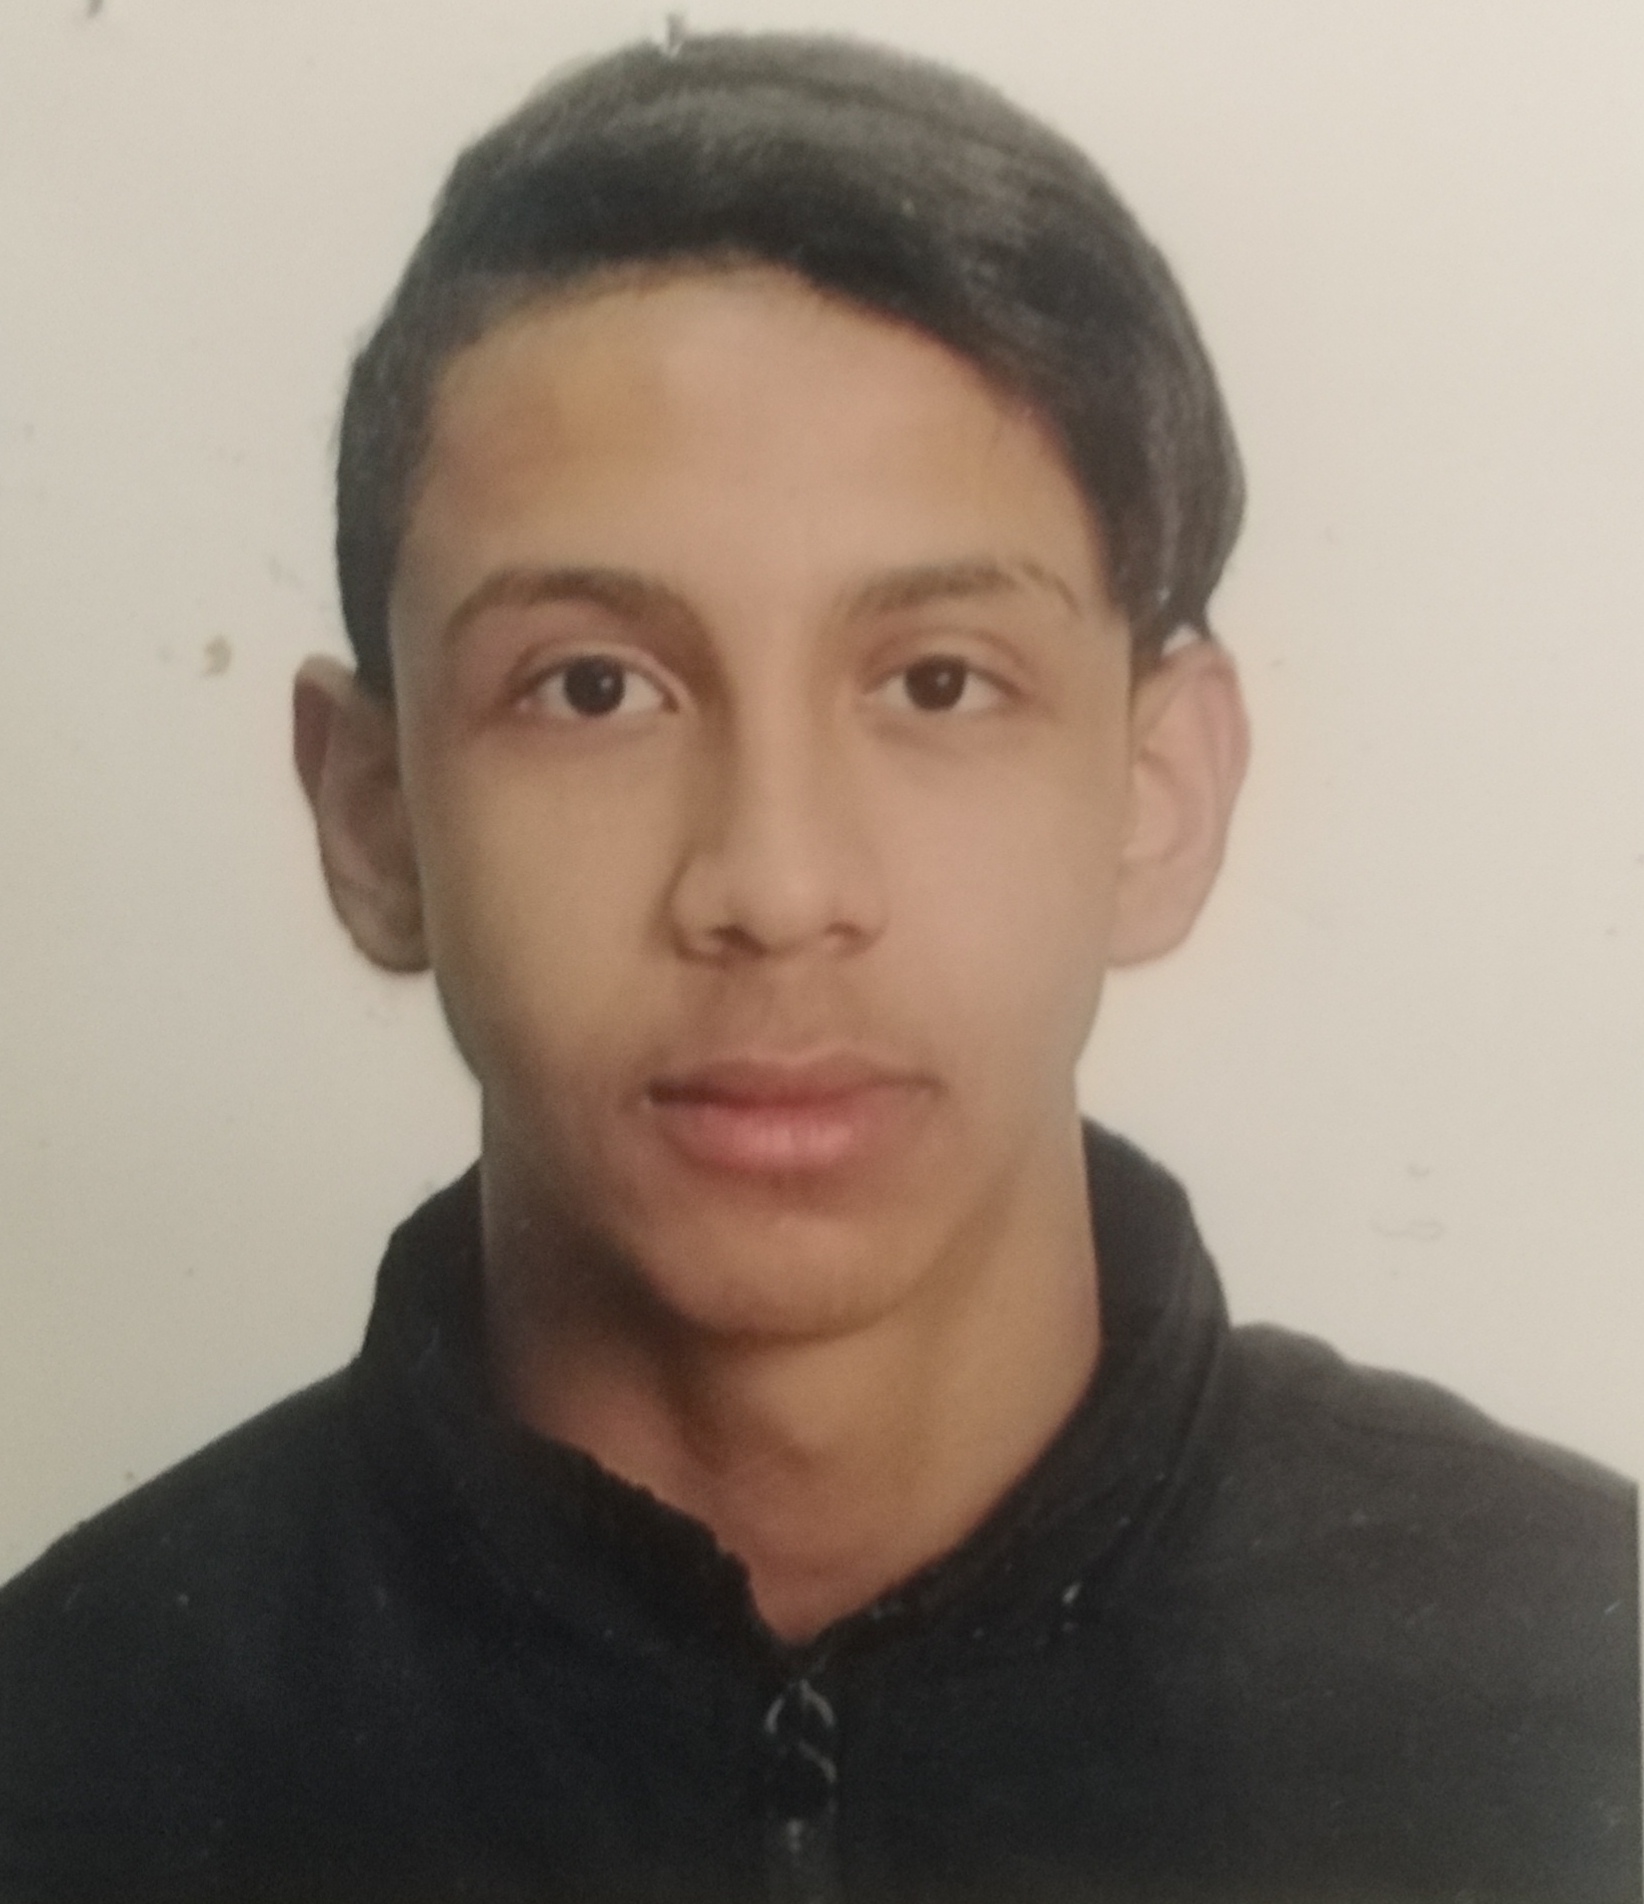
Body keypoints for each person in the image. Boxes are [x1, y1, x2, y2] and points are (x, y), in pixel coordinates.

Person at [0, 29, 1635, 1904]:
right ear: (373, 820)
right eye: (592, 688)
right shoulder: (61, 1760)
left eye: (939, 681)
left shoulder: (1587, 1693)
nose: (774, 887)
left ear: (1159, 795)